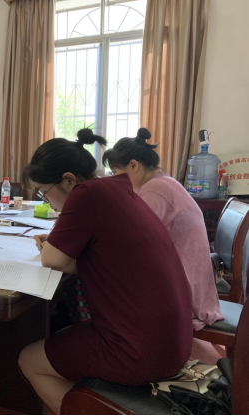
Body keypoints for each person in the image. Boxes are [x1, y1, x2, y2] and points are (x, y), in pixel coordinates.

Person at [18, 129, 193, 415]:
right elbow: (94, 259)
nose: (46, 201)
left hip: (141, 349)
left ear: (68, 180)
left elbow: (52, 258)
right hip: (174, 339)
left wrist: (54, 246)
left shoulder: (85, 194)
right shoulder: (115, 189)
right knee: (65, 334)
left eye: (44, 192)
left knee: (29, 360)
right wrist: (60, 245)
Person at [103, 128, 224, 362]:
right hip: (193, 277)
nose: (115, 179)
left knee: (108, 286)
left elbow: (132, 239)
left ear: (133, 166)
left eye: (116, 172)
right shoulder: (164, 182)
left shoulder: (155, 190)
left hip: (183, 286)